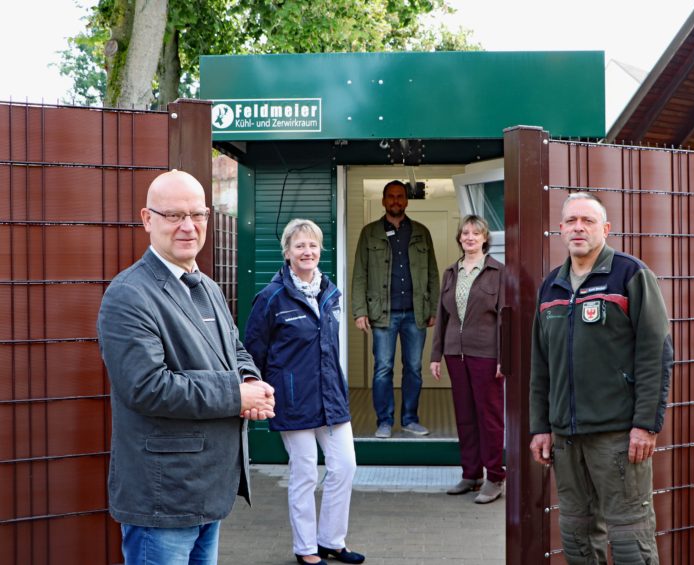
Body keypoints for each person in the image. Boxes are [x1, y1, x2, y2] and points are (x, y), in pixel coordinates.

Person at [96, 170, 276, 565]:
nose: (188, 227)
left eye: (197, 215)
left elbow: (235, 349)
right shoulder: (128, 296)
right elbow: (147, 387)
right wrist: (235, 394)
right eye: (174, 215)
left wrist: (250, 382)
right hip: (164, 497)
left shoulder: (207, 286)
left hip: (207, 488)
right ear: (147, 219)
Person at [529, 192, 673, 564]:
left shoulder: (630, 275)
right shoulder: (551, 287)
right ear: (560, 229)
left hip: (618, 437)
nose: (579, 227)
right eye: (571, 221)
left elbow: (655, 353)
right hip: (565, 438)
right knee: (576, 537)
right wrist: (541, 427)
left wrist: (646, 424)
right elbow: (541, 365)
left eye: (588, 221)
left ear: (605, 229)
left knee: (630, 538)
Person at [244, 219, 365, 565]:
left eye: (312, 245)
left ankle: (331, 540)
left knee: (345, 467)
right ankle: (306, 549)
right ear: (287, 253)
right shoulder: (271, 298)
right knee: (305, 471)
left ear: (320, 250)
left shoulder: (331, 292)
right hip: (293, 400)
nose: (307, 252)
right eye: (299, 246)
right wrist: (261, 391)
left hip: (331, 397)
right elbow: (253, 351)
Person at [351, 180, 439, 438]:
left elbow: (433, 273)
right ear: (383, 200)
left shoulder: (422, 232)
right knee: (383, 368)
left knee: (413, 368)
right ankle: (384, 422)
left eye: (400, 196)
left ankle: (410, 419)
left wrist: (433, 307)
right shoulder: (370, 233)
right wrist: (359, 311)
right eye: (391, 197)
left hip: (415, 313)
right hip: (382, 314)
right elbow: (359, 274)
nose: (396, 201)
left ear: (406, 201)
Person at [430, 215, 507, 504]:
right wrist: (435, 355)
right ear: (459, 238)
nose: (470, 237)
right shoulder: (451, 272)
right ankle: (471, 474)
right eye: (465, 233)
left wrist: (504, 358)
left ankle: (495, 477)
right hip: (454, 354)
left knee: (489, 416)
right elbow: (443, 317)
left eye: (476, 233)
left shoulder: (498, 272)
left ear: (485, 238)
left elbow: (505, 319)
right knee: (464, 416)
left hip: (486, 354)